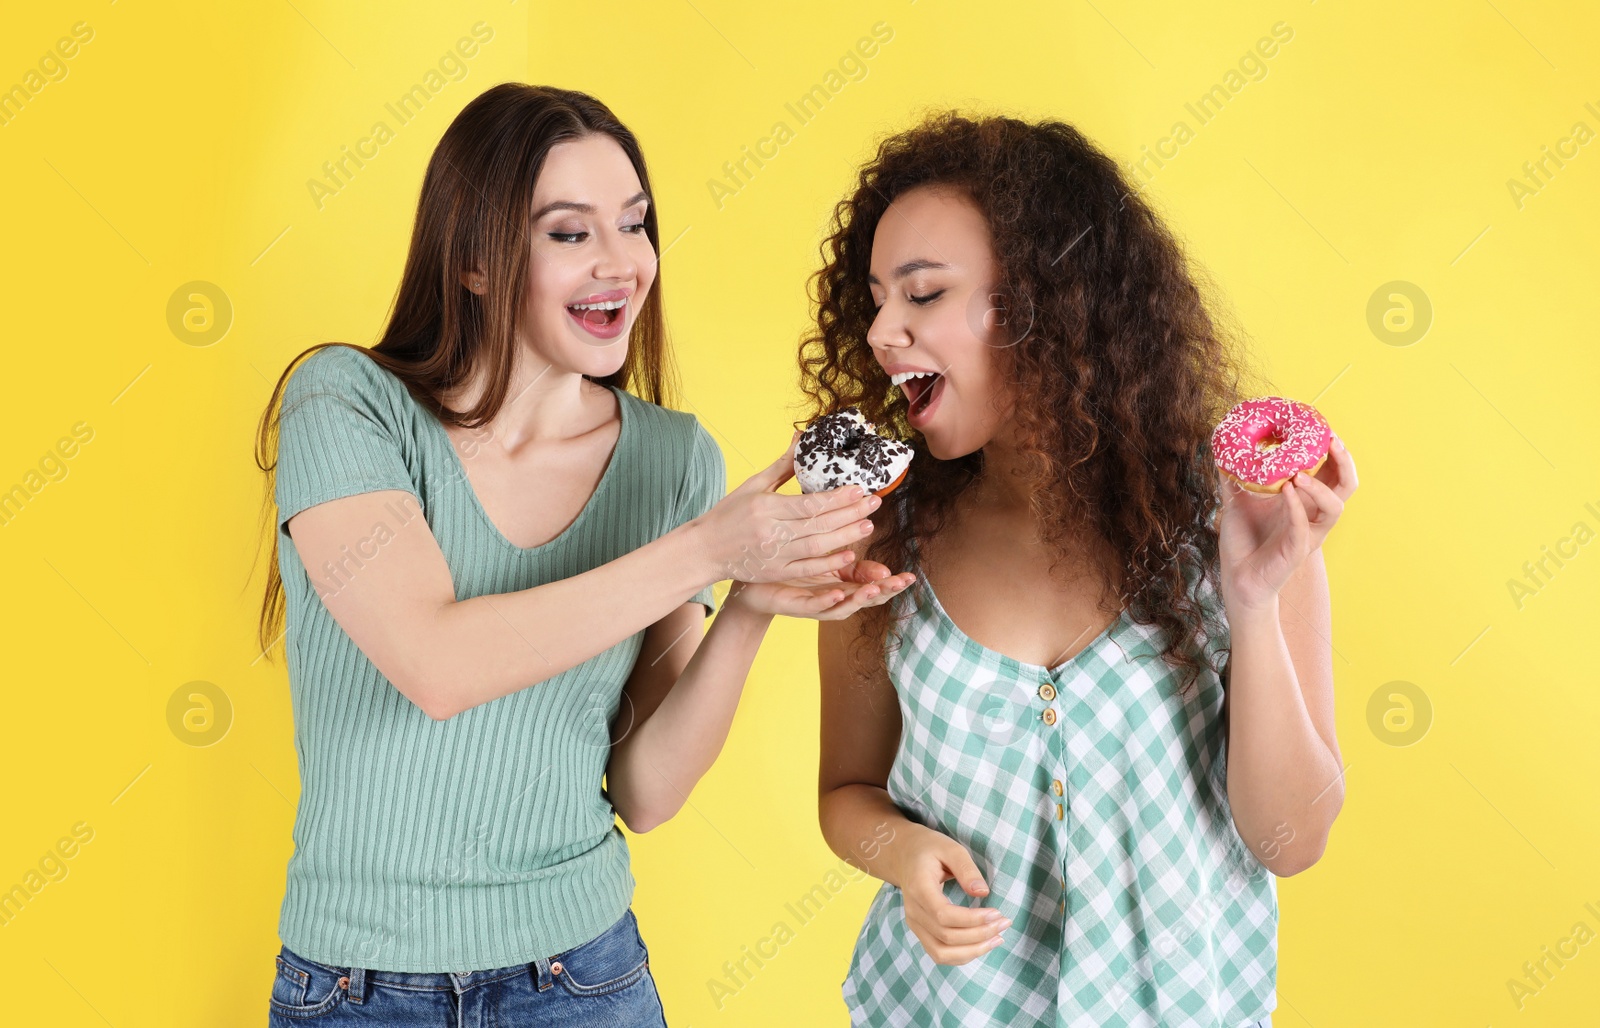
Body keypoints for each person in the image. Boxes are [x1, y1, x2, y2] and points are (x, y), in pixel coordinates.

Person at [252, 83, 904, 1026]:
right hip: (354, 991)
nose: (622, 264)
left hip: (580, 982)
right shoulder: (346, 405)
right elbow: (436, 664)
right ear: (475, 261)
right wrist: (707, 550)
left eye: (635, 226)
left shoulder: (673, 460)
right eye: (569, 233)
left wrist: (750, 603)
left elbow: (645, 790)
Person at [810, 111, 1359, 1027]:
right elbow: (844, 795)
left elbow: (1291, 839)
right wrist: (900, 852)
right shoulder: (881, 540)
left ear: (1044, 303)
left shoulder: (1235, 520)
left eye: (922, 295)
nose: (880, 331)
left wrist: (1254, 603)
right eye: (875, 300)